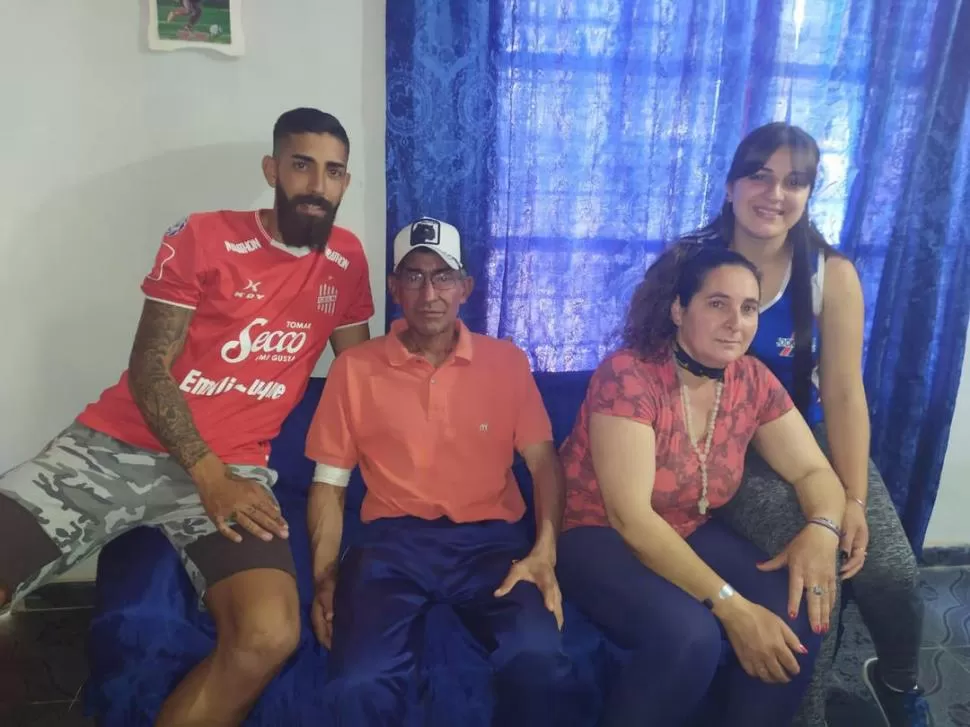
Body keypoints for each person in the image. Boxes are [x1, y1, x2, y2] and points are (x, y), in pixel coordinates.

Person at [0, 107, 374, 727]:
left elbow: (359, 372)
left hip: (238, 468)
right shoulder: (203, 236)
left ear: (345, 184)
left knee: (268, 635)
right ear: (272, 169)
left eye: (333, 171)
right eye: (301, 165)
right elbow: (149, 367)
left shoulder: (346, 260)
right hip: (115, 448)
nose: (317, 184)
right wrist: (207, 472)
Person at [685, 122, 928, 727]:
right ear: (732, 185)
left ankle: (898, 682)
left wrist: (850, 498)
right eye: (760, 176)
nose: (776, 194)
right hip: (726, 446)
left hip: (811, 438)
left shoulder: (831, 273)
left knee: (891, 569)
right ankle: (806, 715)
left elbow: (845, 395)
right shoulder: (690, 266)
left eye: (796, 181)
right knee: (815, 568)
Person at [555, 244, 847, 727]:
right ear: (678, 309)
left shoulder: (752, 379)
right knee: (691, 635)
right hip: (598, 534)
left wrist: (821, 528)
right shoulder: (628, 375)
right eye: (718, 303)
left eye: (749, 307)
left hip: (688, 527)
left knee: (796, 616)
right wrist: (732, 607)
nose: (736, 321)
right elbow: (631, 517)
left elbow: (814, 472)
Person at [304, 217, 573, 726]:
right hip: (391, 546)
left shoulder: (507, 362)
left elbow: (543, 464)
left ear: (465, 288)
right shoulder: (354, 369)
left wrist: (545, 550)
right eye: (413, 275)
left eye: (443, 276)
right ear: (394, 288)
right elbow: (329, 485)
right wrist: (323, 578)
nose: (429, 291)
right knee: (359, 680)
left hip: (492, 544)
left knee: (538, 659)